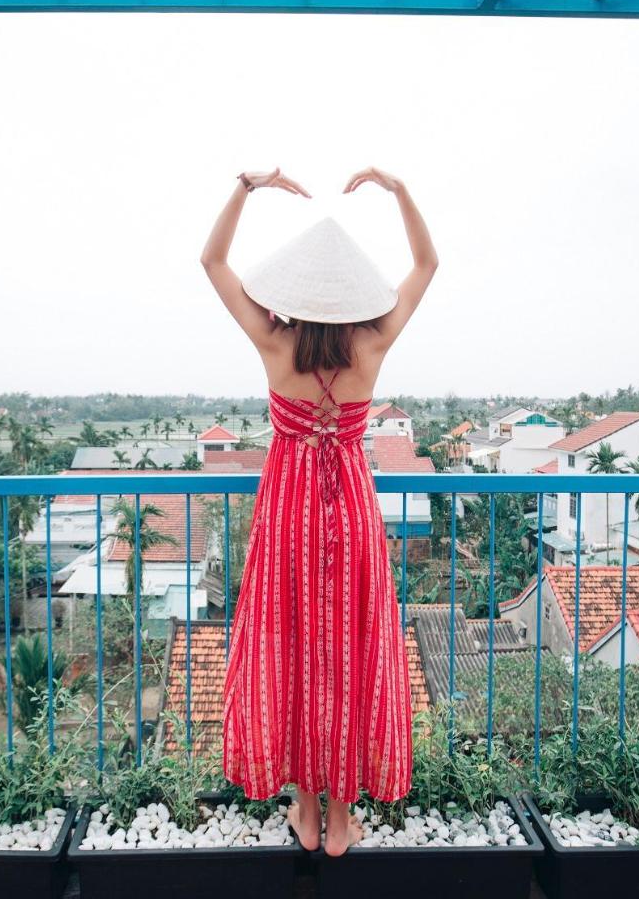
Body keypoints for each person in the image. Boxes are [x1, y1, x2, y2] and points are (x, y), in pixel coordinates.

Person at [201, 166, 438, 856]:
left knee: (296, 650)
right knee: (349, 651)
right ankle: (340, 820)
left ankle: (306, 814)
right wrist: (399, 192)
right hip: (353, 513)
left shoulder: (275, 345)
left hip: (290, 516)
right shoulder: (372, 345)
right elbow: (428, 263)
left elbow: (212, 261)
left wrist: (246, 187)